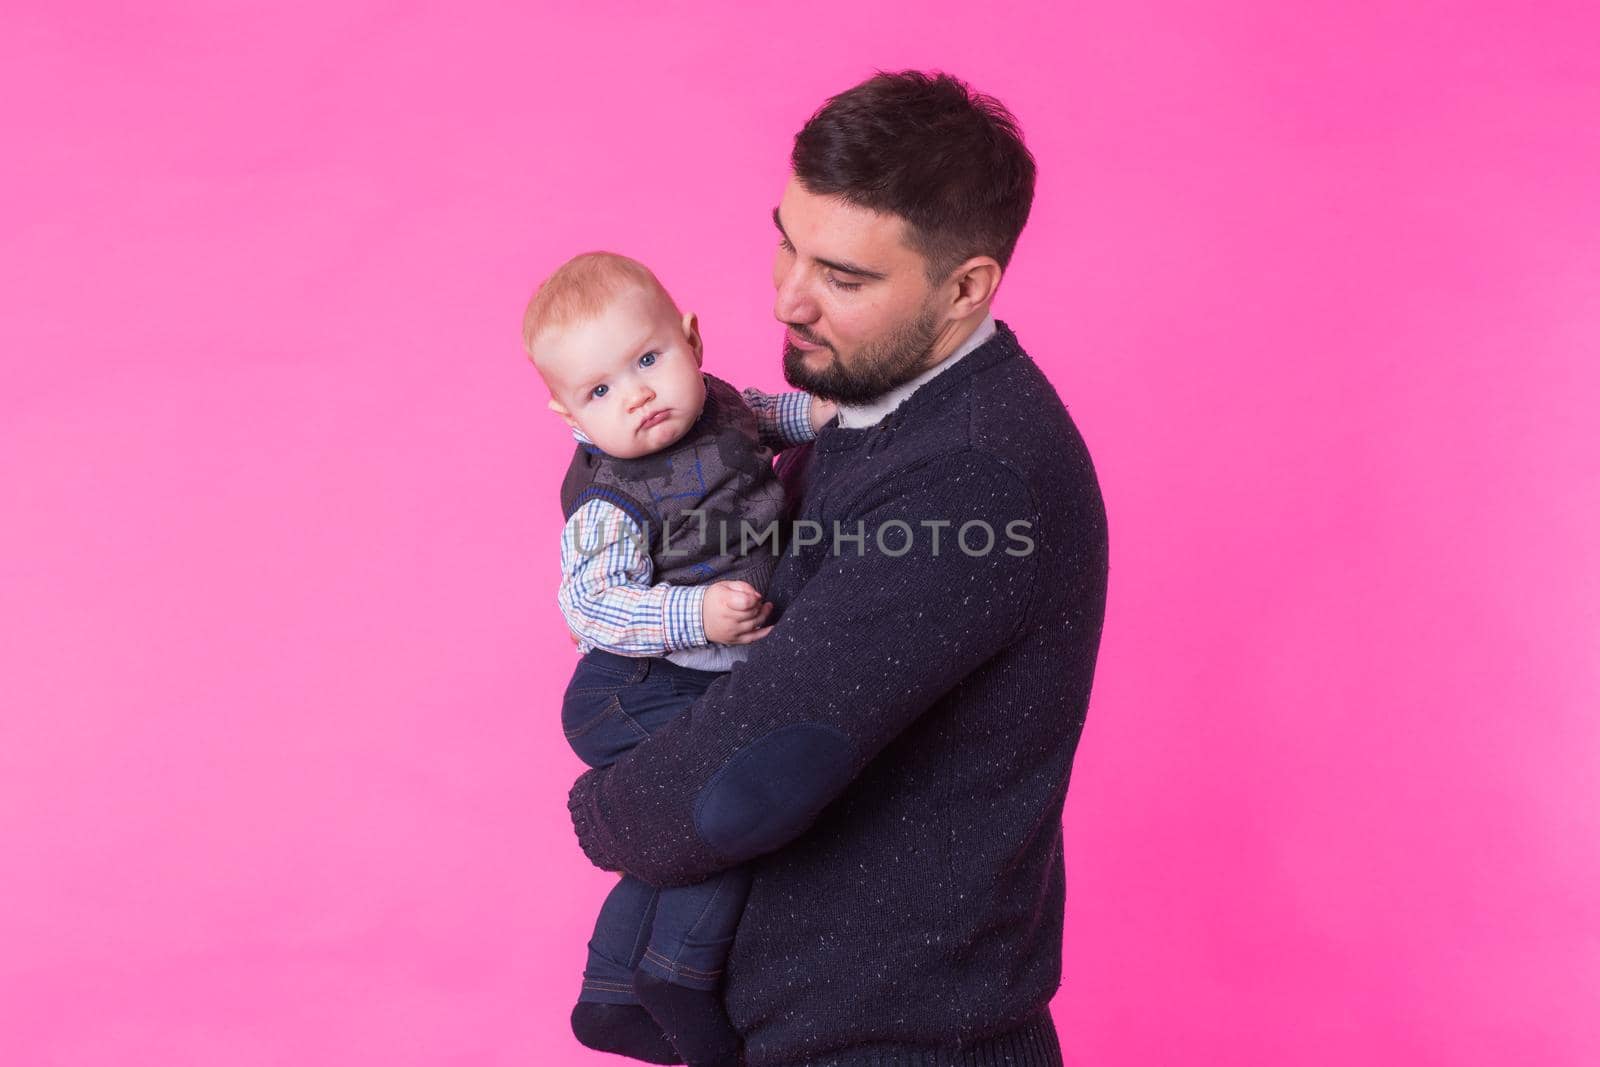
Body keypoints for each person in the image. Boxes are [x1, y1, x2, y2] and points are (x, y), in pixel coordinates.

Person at [566, 71, 1109, 1066]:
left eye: (844, 277)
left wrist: (599, 806)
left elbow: (746, 775)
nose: (788, 295)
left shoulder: (971, 477)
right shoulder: (873, 410)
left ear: (964, 286)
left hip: (904, 1042)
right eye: (786, 239)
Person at [522, 252, 835, 1066]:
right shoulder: (610, 500)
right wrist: (694, 611)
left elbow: (765, 416)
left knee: (687, 820)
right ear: (570, 419)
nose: (636, 394)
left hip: (687, 677)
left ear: (692, 342)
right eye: (599, 391)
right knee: (733, 803)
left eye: (648, 359)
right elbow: (587, 604)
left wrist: (827, 415)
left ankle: (611, 991)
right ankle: (676, 975)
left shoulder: (721, 407)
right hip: (631, 684)